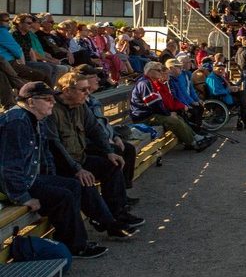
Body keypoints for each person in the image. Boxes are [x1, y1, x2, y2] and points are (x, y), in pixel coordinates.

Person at [0, 82, 109, 257]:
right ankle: (76, 246)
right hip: (11, 186)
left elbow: (45, 156)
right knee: (63, 196)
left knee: (73, 185)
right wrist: (23, 197)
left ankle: (75, 237)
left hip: (29, 177)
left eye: (52, 98)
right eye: (47, 99)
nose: (53, 102)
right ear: (31, 102)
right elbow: (8, 167)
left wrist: (52, 179)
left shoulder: (36, 118)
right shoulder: (17, 121)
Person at [50, 73, 144, 236]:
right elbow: (55, 146)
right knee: (84, 183)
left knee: (112, 165)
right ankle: (109, 223)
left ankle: (118, 213)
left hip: (80, 158)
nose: (88, 93)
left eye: (88, 89)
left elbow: (95, 129)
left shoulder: (80, 105)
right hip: (62, 165)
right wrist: (77, 169)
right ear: (67, 91)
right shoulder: (51, 111)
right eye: (83, 90)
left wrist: (108, 151)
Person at [131, 62, 212, 151]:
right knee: (173, 121)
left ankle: (196, 137)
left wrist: (169, 113)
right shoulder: (145, 83)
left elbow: (158, 103)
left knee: (178, 117)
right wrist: (168, 114)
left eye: (161, 70)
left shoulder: (149, 82)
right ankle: (193, 143)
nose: (160, 72)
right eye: (158, 70)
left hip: (151, 114)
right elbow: (154, 104)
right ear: (149, 71)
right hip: (144, 117)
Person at [206, 62, 246, 130]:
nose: (221, 71)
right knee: (241, 101)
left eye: (222, 69)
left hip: (224, 95)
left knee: (242, 93)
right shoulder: (212, 78)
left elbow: (226, 86)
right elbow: (215, 92)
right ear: (214, 69)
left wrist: (233, 88)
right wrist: (229, 90)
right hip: (220, 98)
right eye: (219, 69)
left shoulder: (219, 76)